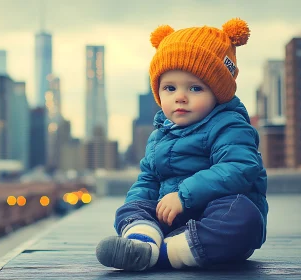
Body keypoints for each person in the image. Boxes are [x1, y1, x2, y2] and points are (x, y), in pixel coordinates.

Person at [96, 18, 268, 271]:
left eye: (195, 88)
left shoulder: (229, 125)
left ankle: (165, 253)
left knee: (243, 215)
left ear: (218, 92)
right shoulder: (160, 135)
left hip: (215, 221)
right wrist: (138, 206)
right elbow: (148, 179)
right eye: (169, 87)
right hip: (171, 217)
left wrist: (184, 196)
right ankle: (142, 241)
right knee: (131, 207)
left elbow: (240, 167)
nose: (180, 97)